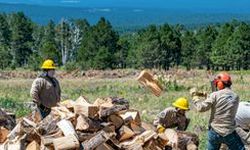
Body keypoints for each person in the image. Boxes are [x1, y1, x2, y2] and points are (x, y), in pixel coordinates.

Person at [190, 72, 245, 150]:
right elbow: (223, 102)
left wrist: (195, 98)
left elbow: (200, 108)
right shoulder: (236, 96)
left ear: (220, 83)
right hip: (229, 131)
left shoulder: (215, 95)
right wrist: (208, 97)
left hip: (214, 131)